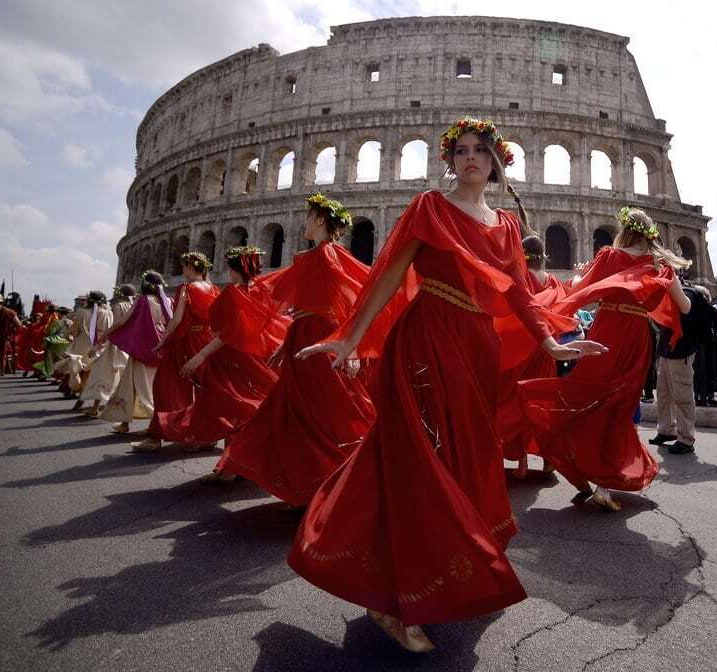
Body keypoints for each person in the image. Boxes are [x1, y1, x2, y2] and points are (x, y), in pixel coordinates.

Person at [288, 118, 606, 652]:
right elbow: (389, 273)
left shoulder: (506, 226)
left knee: (460, 459)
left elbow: (519, 295)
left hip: (477, 345)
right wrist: (351, 337)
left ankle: (431, 572)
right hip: (427, 337)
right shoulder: (429, 208)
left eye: (481, 150)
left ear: (496, 162)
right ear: (449, 161)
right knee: (421, 460)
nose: (470, 158)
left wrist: (551, 344)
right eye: (460, 151)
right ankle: (395, 599)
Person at [520, 207, 692, 510]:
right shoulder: (659, 262)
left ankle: (578, 466)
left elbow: (580, 289)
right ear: (651, 232)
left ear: (623, 229)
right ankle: (603, 484)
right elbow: (685, 307)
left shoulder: (609, 257)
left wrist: (577, 277)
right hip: (637, 335)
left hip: (605, 331)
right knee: (620, 406)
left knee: (586, 396)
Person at [211, 194, 376, 504]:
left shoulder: (330, 256)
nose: (304, 223)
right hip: (302, 336)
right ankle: (304, 484)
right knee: (294, 410)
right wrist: (285, 345)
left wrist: (351, 348)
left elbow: (353, 302)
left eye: (308, 217)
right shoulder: (307, 257)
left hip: (321, 337)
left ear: (319, 220)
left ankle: (339, 481)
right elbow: (298, 307)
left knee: (325, 410)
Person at [158, 246, 288, 448]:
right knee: (248, 400)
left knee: (229, 402)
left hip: (231, 357)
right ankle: (229, 452)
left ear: (234, 270)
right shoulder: (260, 291)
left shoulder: (231, 294)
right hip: (256, 353)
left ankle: (227, 458)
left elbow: (225, 335)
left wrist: (198, 357)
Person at [131, 252, 220, 452]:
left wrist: (162, 341)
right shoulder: (213, 288)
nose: (183, 270)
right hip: (205, 341)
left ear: (190, 267)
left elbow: (177, 319)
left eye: (184, 266)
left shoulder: (186, 288)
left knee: (166, 385)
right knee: (203, 388)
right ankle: (206, 435)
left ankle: (157, 436)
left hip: (185, 341)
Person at [498, 234, 568, 478]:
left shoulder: (521, 278)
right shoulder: (553, 282)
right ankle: (549, 460)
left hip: (522, 348)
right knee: (541, 402)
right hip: (546, 349)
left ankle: (521, 462)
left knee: (516, 400)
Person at [650, 281, 717, 454]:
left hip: (681, 351)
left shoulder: (686, 296)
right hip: (666, 350)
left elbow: (683, 319)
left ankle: (686, 438)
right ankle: (667, 430)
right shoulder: (669, 295)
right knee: (664, 393)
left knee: (682, 395)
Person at [101, 272, 170, 434]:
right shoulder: (166, 301)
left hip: (143, 346)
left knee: (145, 389)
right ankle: (124, 421)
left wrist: (106, 333)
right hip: (159, 344)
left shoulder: (143, 300)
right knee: (128, 384)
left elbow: (123, 320)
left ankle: (162, 424)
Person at [79, 284, 136, 417]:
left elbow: (115, 326)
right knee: (120, 377)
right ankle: (118, 408)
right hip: (127, 346)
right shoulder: (134, 306)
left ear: (119, 294)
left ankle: (95, 408)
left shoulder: (118, 307)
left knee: (102, 374)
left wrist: (99, 344)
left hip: (114, 345)